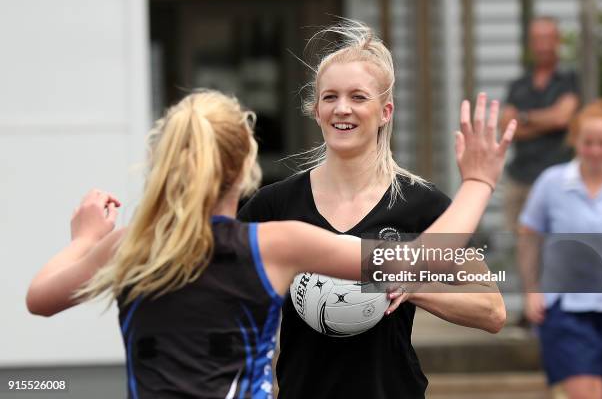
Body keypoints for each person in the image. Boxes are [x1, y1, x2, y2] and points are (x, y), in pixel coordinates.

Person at [27, 89, 514, 398]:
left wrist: (85, 240)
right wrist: (478, 181)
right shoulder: (275, 244)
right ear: (244, 169)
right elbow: (418, 259)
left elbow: (41, 299)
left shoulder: (132, 248)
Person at [237, 21, 509, 399]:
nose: (342, 108)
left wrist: (412, 288)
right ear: (315, 110)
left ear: (385, 111)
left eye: (358, 97)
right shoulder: (275, 205)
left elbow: (491, 310)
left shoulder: (421, 205)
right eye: (329, 97)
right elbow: (221, 295)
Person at [518, 99, 602, 399]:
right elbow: (528, 235)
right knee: (589, 393)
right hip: (567, 311)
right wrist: (531, 289)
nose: (595, 150)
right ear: (574, 141)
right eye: (588, 143)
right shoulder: (552, 183)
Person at [500, 16, 579, 232]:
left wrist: (523, 118)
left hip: (558, 179)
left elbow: (562, 117)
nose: (543, 45)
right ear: (531, 44)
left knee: (557, 248)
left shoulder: (570, 80)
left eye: (547, 38)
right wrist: (547, 120)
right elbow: (507, 126)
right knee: (520, 251)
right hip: (520, 179)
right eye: (537, 39)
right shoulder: (519, 84)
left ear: (557, 41)